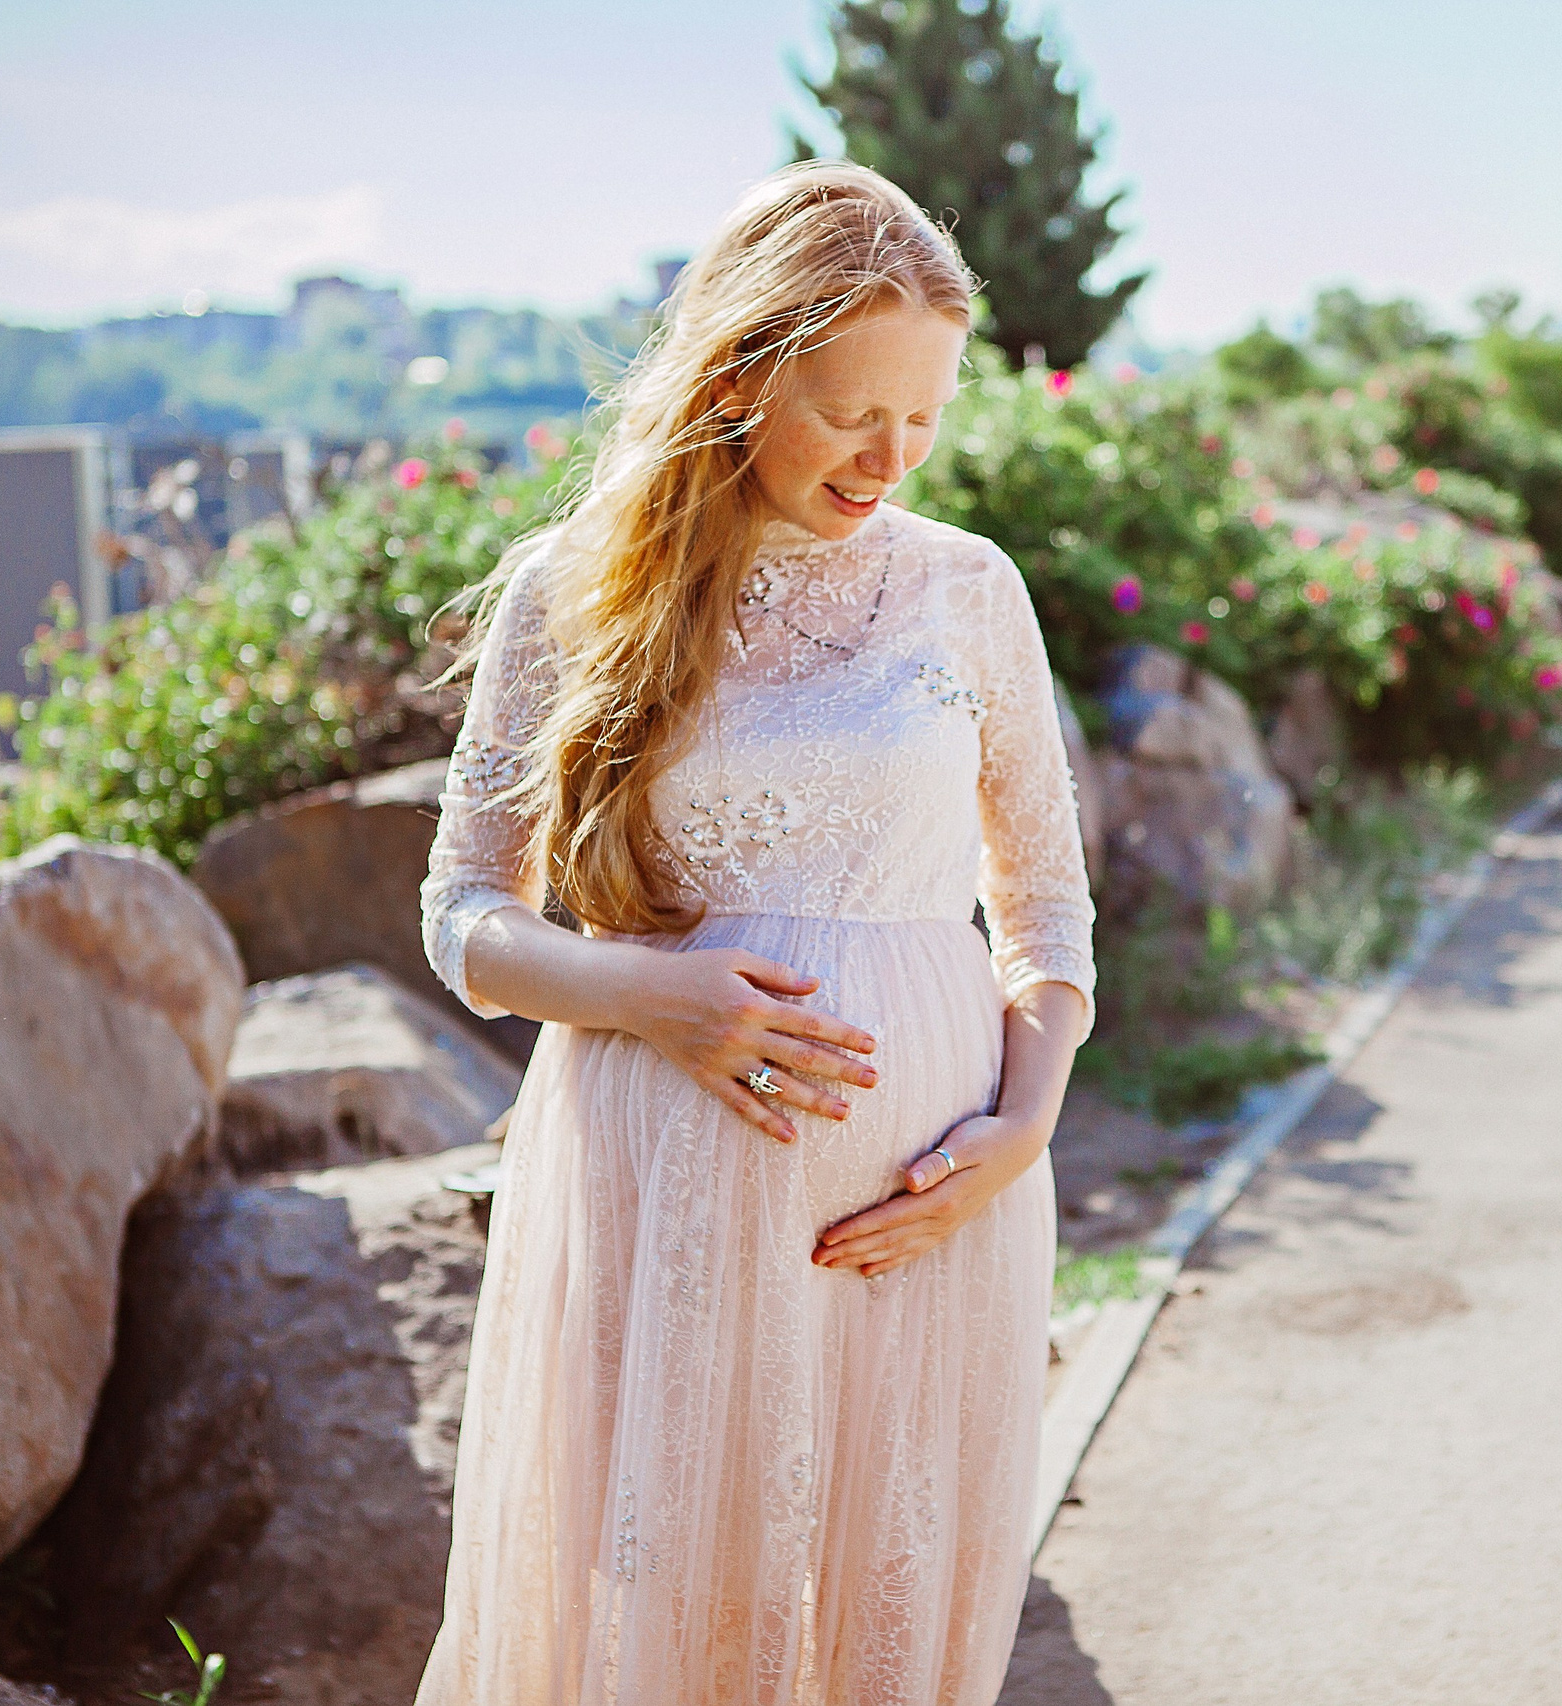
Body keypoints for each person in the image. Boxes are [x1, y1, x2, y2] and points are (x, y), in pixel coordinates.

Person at [412, 161, 1095, 1705]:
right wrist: (654, 998)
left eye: (923, 417)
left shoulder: (967, 588)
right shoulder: (574, 592)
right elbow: (464, 914)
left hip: (927, 1217)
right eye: (853, 413)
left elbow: (1046, 909)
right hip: (667, 1194)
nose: (892, 457)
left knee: (887, 1614)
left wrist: (1025, 1126)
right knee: (673, 1622)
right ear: (737, 377)